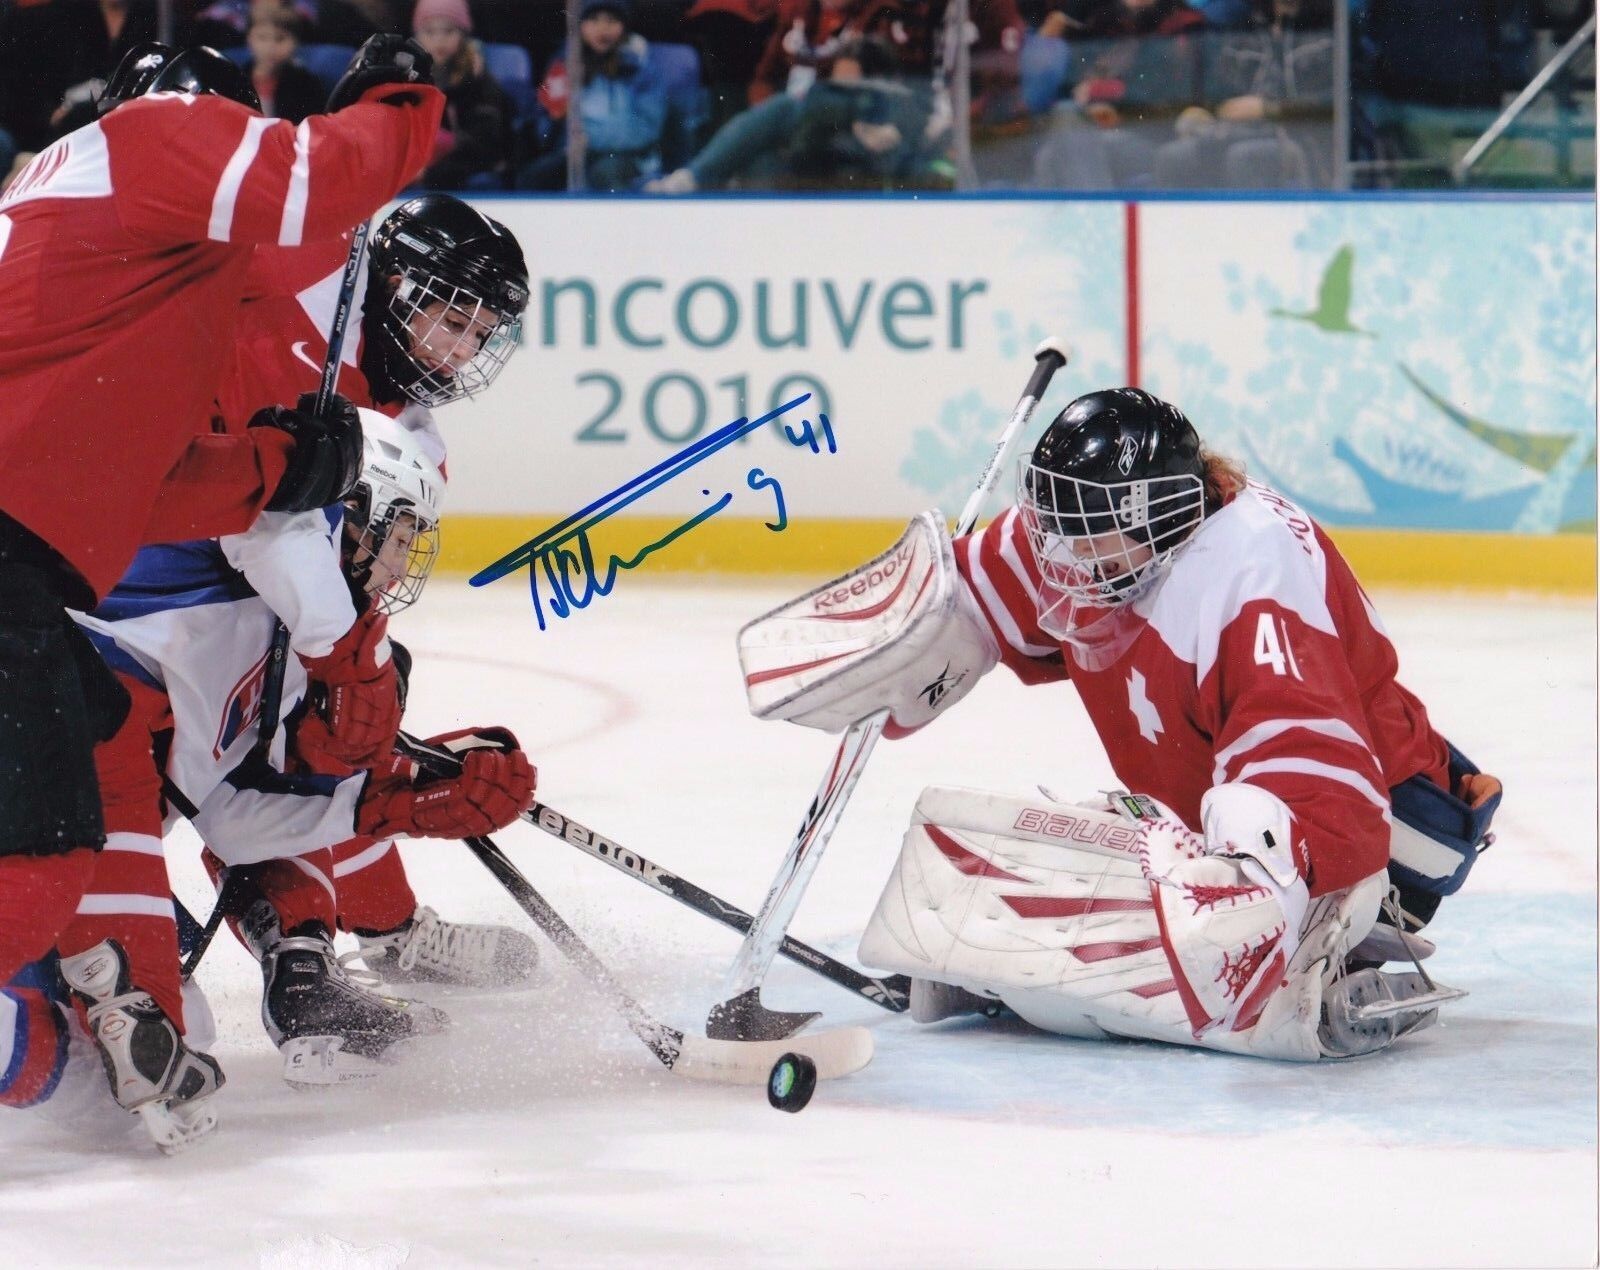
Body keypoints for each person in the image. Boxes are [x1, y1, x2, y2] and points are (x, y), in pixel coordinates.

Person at [741, 386, 1501, 1062]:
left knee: (1247, 823)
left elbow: (1319, 777)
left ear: (1158, 519)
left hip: (1379, 829)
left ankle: (1284, 942)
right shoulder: (1095, 530)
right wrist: (906, 634)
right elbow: (978, 591)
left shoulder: (1254, 577)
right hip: (1218, 808)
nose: (1058, 555)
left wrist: (1247, 910)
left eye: (1082, 534)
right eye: (1051, 526)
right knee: (1013, 843)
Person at [0, 36, 443, 1126]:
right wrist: (402, 93)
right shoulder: (153, 145)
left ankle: (95, 1007)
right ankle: (60, 1012)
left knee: (85, 763)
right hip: (28, 574)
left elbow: (134, 484)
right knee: (42, 861)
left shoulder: (75, 229)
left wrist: (280, 469)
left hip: (38, 576)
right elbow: (320, 175)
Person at [647, 35, 937, 192]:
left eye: (851, 84)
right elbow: (809, 139)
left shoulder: (904, 106)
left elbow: (908, 154)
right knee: (764, 158)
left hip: (862, 196)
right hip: (810, 179)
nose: (842, 90)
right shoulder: (820, 104)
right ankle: (695, 176)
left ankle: (696, 176)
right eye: (838, 83)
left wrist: (889, 137)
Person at [518, 0, 670, 193]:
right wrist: (556, 127)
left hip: (628, 157)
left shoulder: (641, 68)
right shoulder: (564, 65)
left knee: (604, 173)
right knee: (535, 176)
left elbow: (645, 128)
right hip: (574, 155)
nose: (602, 29)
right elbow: (544, 121)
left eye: (611, 20)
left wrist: (591, 138)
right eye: (593, 20)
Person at [410, 0, 515, 189]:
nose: (439, 40)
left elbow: (485, 141)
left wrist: (445, 146)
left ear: (463, 35)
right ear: (417, 37)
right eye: (430, 32)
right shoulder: (408, 78)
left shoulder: (478, 80)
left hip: (466, 162)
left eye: (448, 31)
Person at [243, 6, 329, 124]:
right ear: (249, 39)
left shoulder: (307, 84)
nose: (270, 47)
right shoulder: (237, 78)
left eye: (280, 39)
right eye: (262, 38)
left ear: (295, 42)